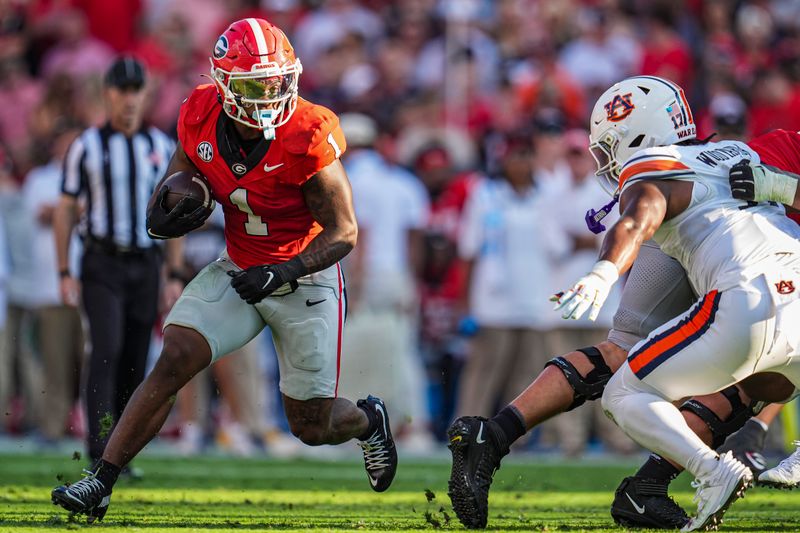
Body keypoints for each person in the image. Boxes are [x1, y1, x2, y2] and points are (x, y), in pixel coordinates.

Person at [52, 18, 397, 523]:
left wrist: (281, 274)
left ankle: (369, 421)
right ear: (224, 85)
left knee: (310, 425)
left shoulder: (307, 132)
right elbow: (178, 176)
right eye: (257, 84)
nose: (271, 94)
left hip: (304, 276)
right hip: (239, 264)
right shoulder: (198, 113)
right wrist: (171, 204)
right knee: (175, 357)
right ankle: (101, 481)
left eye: (279, 81)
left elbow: (344, 233)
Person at [446, 78, 800, 531]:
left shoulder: (738, 154)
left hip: (730, 264)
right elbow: (643, 213)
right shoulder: (753, 151)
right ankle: (500, 438)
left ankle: (646, 483)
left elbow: (640, 211)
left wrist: (782, 187)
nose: (606, 162)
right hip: (715, 248)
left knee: (728, 375)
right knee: (639, 352)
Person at [566, 77, 800, 531]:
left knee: (625, 391)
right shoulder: (743, 153)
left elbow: (639, 217)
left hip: (747, 299)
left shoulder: (656, 165)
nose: (608, 163)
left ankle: (712, 472)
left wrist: (604, 271)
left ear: (638, 136)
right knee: (771, 382)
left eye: (610, 149)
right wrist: (787, 188)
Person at [52, 57, 181, 466]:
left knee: (134, 357)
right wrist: (64, 269)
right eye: (122, 91)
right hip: (102, 261)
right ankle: (99, 449)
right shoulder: (87, 145)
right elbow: (66, 209)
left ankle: (121, 452)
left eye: (135, 91)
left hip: (144, 263)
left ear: (145, 95)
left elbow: (172, 215)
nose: (129, 100)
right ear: (107, 94)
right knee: (106, 349)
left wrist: (172, 272)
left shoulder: (160, 147)